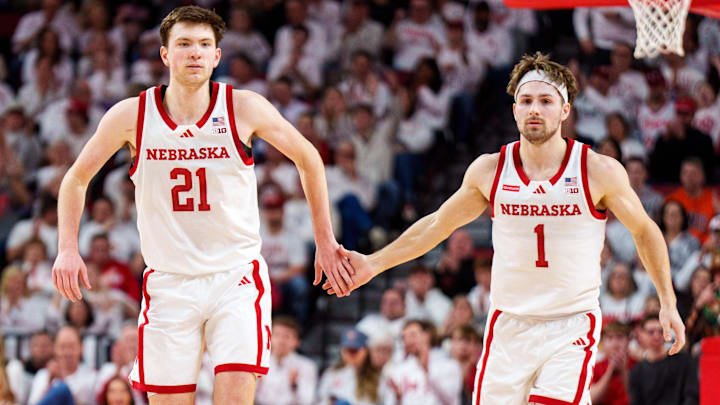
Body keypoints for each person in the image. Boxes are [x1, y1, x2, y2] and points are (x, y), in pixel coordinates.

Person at [327, 52, 685, 404]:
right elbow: (436, 225)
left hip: (570, 324)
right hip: (508, 325)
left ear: (565, 110)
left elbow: (645, 231)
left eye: (546, 101)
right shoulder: (490, 169)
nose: (534, 109)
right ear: (514, 109)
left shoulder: (597, 170)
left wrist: (667, 301)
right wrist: (374, 263)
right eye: (526, 100)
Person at [50, 6, 353, 405]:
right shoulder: (131, 115)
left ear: (217, 56)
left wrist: (325, 240)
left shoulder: (243, 107)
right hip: (170, 281)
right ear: (164, 54)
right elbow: (75, 178)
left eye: (204, 45)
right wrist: (68, 248)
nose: (195, 53)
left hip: (235, 278)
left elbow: (308, 157)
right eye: (185, 44)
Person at [628, 315, 699, 405]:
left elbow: (692, 395)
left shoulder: (684, 362)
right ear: (641, 334)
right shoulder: (636, 371)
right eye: (651, 332)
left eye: (661, 331)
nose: (656, 336)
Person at [255, 316, 317, 405]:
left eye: (286, 336)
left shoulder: (306, 366)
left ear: (297, 342)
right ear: (269, 338)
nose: (281, 341)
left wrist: (294, 386)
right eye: (276, 335)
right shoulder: (258, 362)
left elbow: (307, 401)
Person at [589, 321, 636, 405]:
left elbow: (638, 399)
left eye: (620, 337)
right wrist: (610, 371)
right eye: (610, 338)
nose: (615, 344)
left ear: (628, 341)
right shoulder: (595, 367)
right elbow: (591, 399)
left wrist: (623, 371)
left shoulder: (637, 365)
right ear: (603, 342)